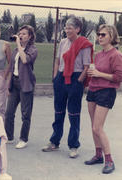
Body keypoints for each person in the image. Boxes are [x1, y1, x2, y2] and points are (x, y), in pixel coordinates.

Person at [42, 16, 93, 158]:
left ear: (78, 29)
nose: (67, 30)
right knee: (58, 112)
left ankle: (73, 145)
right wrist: (55, 77)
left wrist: (79, 82)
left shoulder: (84, 44)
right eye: (66, 27)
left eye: (70, 27)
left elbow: (86, 67)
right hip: (61, 78)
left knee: (73, 114)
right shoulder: (63, 42)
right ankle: (54, 142)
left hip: (75, 79)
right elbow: (58, 60)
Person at [84, 24, 122, 174]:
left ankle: (109, 161)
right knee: (93, 125)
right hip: (93, 90)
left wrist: (100, 74)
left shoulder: (116, 55)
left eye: (103, 35)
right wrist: (91, 74)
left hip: (106, 92)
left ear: (111, 37)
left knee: (97, 127)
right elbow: (95, 72)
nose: (99, 37)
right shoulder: (98, 55)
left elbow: (119, 77)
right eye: (99, 34)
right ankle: (98, 155)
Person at [4, 25, 38, 149]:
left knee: (25, 114)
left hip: (26, 84)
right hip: (14, 83)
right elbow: (12, 66)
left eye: (24, 34)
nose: (21, 35)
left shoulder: (33, 49)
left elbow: (24, 60)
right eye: (20, 33)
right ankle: (9, 136)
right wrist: (9, 84)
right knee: (9, 113)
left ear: (29, 36)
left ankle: (23, 139)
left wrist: (18, 44)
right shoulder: (15, 50)